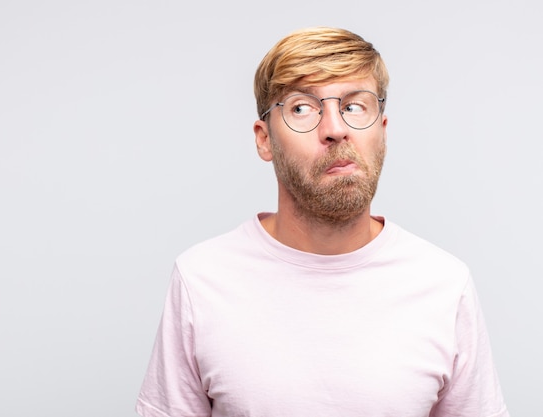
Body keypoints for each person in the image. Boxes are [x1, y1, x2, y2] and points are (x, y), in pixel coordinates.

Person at [135, 27, 510, 417]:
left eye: (354, 106)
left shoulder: (444, 284)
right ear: (264, 140)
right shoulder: (201, 279)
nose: (334, 129)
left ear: (382, 132)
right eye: (302, 108)